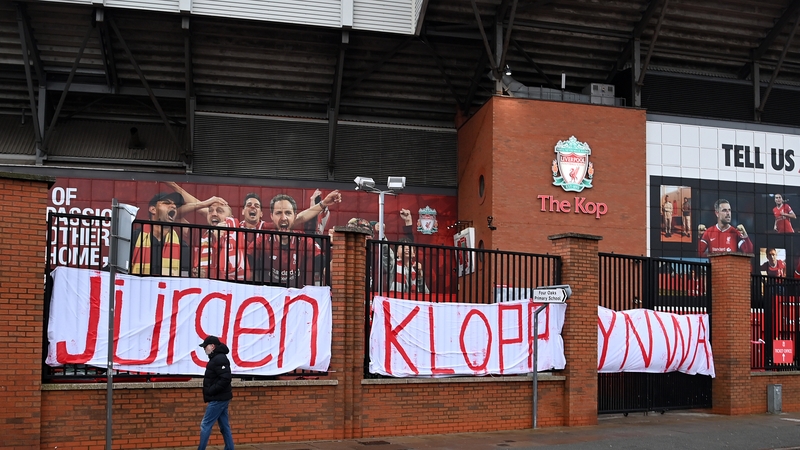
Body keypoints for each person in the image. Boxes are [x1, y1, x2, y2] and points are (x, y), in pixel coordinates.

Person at [131, 192, 190, 276]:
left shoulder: (182, 245)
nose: (174, 206)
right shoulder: (134, 237)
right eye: (167, 203)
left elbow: (184, 276)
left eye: (175, 205)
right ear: (153, 210)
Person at [197, 335, 234, 450]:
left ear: (212, 346)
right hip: (221, 397)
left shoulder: (219, 358)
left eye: (205, 347)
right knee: (224, 426)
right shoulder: (217, 358)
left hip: (218, 398)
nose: (204, 349)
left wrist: (211, 390)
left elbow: (225, 378)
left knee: (205, 424)